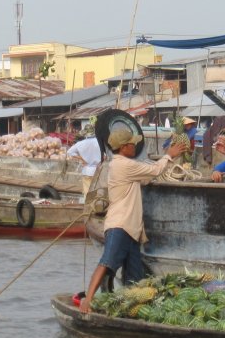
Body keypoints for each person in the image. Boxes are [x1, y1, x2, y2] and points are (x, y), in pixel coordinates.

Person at [79, 129, 187, 313]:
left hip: (131, 230)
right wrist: (168, 155)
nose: (135, 146)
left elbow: (146, 177)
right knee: (107, 263)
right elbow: (154, 170)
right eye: (132, 144)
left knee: (134, 277)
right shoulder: (123, 165)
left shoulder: (126, 166)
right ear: (123, 147)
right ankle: (87, 302)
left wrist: (166, 161)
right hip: (120, 226)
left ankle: (128, 310)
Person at [66, 136, 102, 200]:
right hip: (99, 170)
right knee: (98, 192)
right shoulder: (100, 142)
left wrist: (82, 158)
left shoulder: (81, 143)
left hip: (87, 171)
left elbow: (69, 152)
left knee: (87, 192)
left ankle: (88, 207)